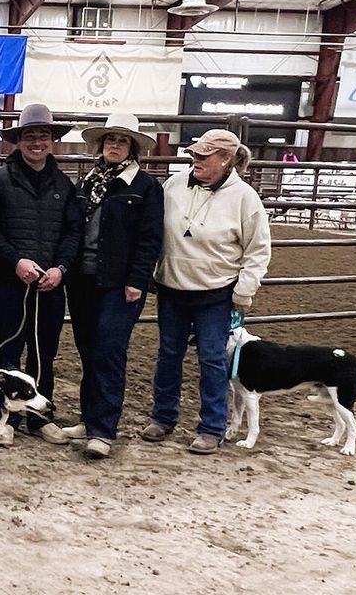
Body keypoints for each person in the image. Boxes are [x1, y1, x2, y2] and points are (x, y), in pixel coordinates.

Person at [143, 129, 271, 455]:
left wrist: (244, 292)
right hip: (172, 287)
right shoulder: (174, 185)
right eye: (195, 155)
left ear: (226, 159)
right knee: (168, 354)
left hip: (215, 292)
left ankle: (212, 427)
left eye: (203, 156)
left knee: (212, 358)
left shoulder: (245, 198)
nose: (195, 160)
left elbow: (258, 250)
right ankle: (163, 417)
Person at [0, 103, 83, 446]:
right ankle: (3, 418)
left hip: (49, 284)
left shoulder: (64, 186)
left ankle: (38, 417)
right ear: (19, 141)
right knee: (8, 349)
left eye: (43, 136)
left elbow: (73, 233)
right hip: (11, 283)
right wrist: (15, 261)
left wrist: (60, 269)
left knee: (44, 352)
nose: (37, 142)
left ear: (52, 141)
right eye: (30, 136)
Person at [62, 112, 163, 459]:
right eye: (110, 140)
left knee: (108, 349)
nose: (115, 146)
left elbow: (150, 238)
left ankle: (103, 429)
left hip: (120, 283)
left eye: (122, 141)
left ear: (132, 147)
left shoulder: (145, 187)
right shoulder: (88, 182)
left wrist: (137, 279)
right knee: (88, 348)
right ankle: (89, 418)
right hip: (84, 279)